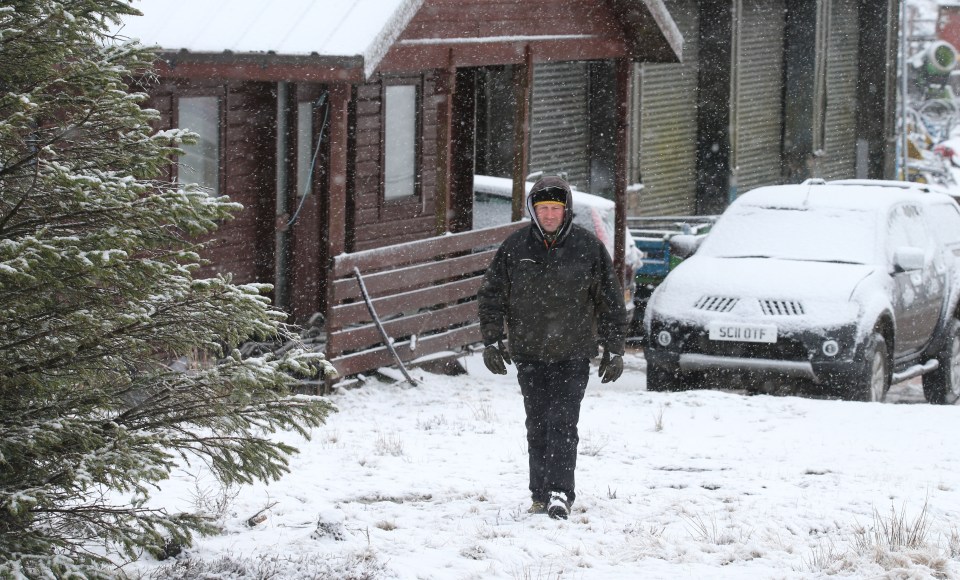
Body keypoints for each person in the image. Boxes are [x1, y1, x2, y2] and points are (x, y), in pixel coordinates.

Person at [477, 175, 627, 520]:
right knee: (538, 423)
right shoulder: (515, 247)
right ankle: (540, 493)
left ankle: (561, 492)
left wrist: (614, 348)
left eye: (554, 209)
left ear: (566, 210)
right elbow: (491, 295)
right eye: (542, 208)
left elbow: (610, 301)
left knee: (562, 422)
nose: (548, 215)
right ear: (533, 210)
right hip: (529, 353)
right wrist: (491, 340)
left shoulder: (587, 248)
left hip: (572, 353)